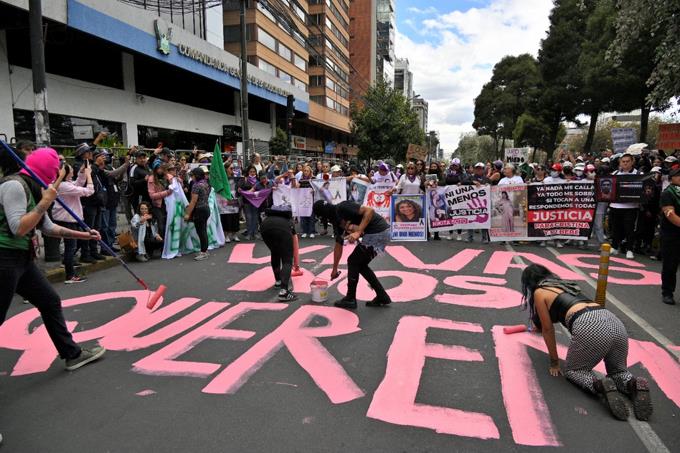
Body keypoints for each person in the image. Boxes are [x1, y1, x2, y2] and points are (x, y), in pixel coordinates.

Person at [0, 148, 105, 370]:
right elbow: (19, 227)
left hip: (22, 259)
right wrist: (44, 202)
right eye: (55, 170)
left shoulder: (36, 188)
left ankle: (72, 354)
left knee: (49, 301)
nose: (56, 174)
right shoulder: (14, 185)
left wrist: (84, 234)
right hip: (4, 258)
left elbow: (47, 227)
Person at [520, 264, 652, 421]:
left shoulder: (539, 292)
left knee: (574, 371)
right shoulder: (564, 284)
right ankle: (633, 383)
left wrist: (554, 362)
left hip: (588, 324)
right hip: (613, 321)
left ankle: (600, 385)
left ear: (529, 283)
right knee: (618, 371)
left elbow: (548, 329)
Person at [313, 200, 392, 309]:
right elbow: (338, 245)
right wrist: (334, 269)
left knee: (353, 261)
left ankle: (350, 298)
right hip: (380, 234)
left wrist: (358, 231)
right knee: (361, 265)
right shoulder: (336, 220)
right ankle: (382, 296)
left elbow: (369, 211)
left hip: (378, 232)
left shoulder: (342, 207)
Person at [52, 162, 94, 283]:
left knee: (76, 243)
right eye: (70, 169)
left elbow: (78, 184)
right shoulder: (63, 186)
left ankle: (67, 262)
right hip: (67, 219)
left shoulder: (65, 184)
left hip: (70, 218)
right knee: (71, 246)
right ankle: (70, 275)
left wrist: (82, 172)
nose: (72, 171)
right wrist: (88, 175)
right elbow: (88, 191)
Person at [260, 209, 298, 302]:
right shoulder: (289, 221)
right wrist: (296, 262)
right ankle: (284, 292)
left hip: (265, 227)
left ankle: (278, 281)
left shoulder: (268, 218)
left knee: (275, 252)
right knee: (287, 259)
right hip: (282, 230)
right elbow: (295, 241)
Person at [609, 153, 640, 259]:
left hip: (631, 207)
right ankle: (614, 247)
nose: (625, 163)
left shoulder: (639, 174)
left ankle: (630, 249)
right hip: (615, 206)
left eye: (627, 161)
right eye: (623, 161)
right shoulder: (615, 173)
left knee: (629, 229)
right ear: (620, 162)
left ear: (632, 162)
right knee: (615, 228)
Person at [659, 167, 680, 305]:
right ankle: (667, 292)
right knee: (670, 265)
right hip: (672, 235)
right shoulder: (668, 193)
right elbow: (669, 214)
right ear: (672, 178)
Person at [184, 167, 211, 261]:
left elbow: (193, 201)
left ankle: (203, 252)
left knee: (201, 231)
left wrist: (187, 214)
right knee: (203, 230)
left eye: (192, 175)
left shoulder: (196, 185)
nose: (192, 177)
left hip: (199, 210)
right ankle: (205, 250)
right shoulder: (206, 183)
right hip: (206, 208)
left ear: (196, 176)